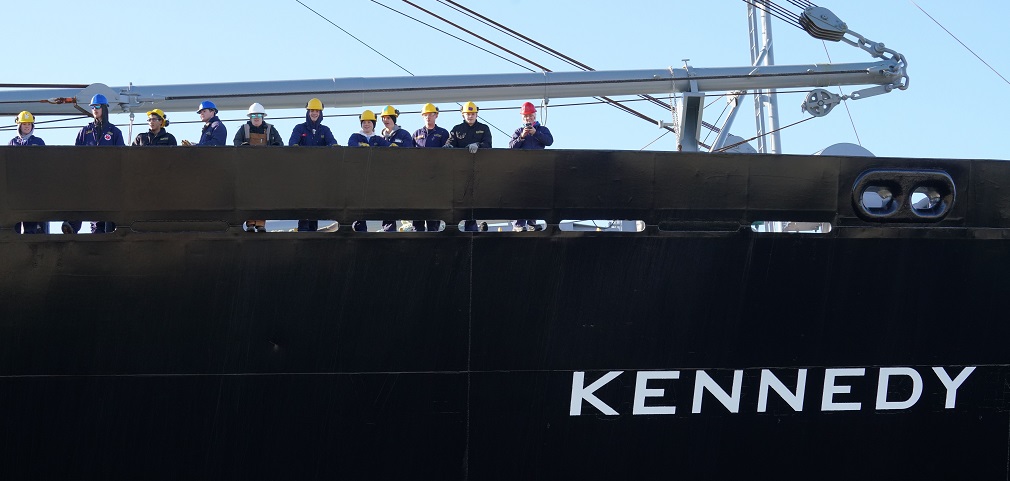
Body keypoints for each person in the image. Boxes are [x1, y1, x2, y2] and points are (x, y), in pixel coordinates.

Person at [68, 94, 124, 234]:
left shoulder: (115, 132)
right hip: (89, 177)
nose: (94, 109)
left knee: (104, 213)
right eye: (92, 107)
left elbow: (121, 157)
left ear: (104, 108)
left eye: (97, 106)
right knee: (83, 202)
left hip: (108, 178)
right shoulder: (84, 132)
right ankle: (72, 226)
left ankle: (102, 233)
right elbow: (76, 155)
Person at [289, 97, 338, 232]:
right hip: (303, 173)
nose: (314, 113)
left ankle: (313, 230)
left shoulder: (325, 130)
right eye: (312, 111)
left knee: (315, 202)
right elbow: (292, 143)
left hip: (318, 173)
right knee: (304, 201)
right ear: (308, 112)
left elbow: (332, 142)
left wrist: (334, 146)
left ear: (320, 113)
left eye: (317, 111)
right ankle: (303, 229)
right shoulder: (299, 128)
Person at [234, 103, 283, 233]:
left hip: (265, 170)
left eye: (259, 115)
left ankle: (261, 224)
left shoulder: (271, 129)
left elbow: (280, 145)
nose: (256, 118)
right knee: (249, 196)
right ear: (250, 117)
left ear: (263, 117)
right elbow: (236, 144)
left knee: (263, 197)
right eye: (254, 115)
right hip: (248, 170)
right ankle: (250, 223)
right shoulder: (243, 129)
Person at [445, 101, 492, 231]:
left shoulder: (484, 128)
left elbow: (488, 144)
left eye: (472, 113)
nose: (470, 116)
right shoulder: (457, 129)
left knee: (473, 201)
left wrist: (478, 145)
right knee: (459, 199)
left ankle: (471, 228)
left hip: (478, 170)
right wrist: (448, 146)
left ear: (476, 114)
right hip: (460, 170)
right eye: (467, 114)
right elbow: (450, 143)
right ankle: (454, 227)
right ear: (463, 115)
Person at [509, 101, 553, 231]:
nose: (528, 118)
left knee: (535, 195)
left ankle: (531, 222)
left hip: (538, 167)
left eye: (530, 116)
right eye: (526, 116)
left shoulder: (543, 130)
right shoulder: (518, 131)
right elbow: (512, 147)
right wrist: (522, 137)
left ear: (534, 116)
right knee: (520, 196)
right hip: (522, 168)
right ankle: (518, 223)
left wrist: (535, 133)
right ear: (523, 118)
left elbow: (549, 141)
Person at [348, 110, 391, 232]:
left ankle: (388, 229)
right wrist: (360, 147)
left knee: (383, 202)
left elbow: (388, 148)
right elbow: (351, 144)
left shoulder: (378, 139)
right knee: (359, 203)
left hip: (376, 176)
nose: (366, 124)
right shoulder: (355, 136)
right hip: (360, 176)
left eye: (369, 122)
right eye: (364, 122)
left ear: (373, 124)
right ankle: (360, 230)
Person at [411, 103, 449, 231]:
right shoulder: (416, 134)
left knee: (434, 209)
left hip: (436, 176)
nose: (428, 117)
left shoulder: (443, 133)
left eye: (431, 114)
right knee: (418, 207)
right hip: (419, 178)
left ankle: (433, 231)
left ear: (436, 115)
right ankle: (418, 231)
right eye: (425, 115)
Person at [10, 111, 46, 233]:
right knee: (13, 223)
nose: (27, 126)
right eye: (24, 124)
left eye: (29, 124)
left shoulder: (39, 142)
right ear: (19, 125)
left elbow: (45, 163)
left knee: (30, 224)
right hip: (16, 189)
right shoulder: (13, 143)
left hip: (33, 189)